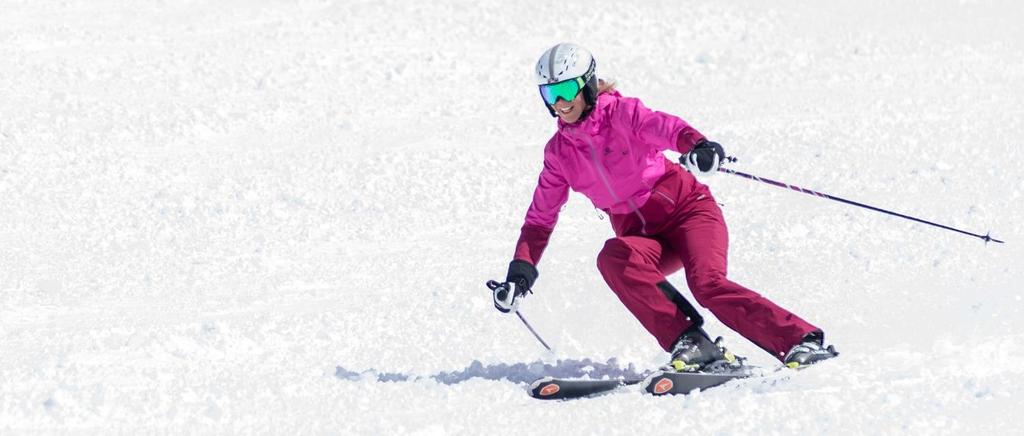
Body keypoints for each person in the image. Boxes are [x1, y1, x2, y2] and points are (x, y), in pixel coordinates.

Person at [494, 43, 838, 371]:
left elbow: (667, 128)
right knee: (614, 257)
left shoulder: (623, 114)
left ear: (587, 86)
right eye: (550, 94)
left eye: (567, 90)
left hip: (689, 213)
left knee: (707, 284)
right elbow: (539, 220)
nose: (560, 103)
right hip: (645, 239)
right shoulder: (559, 153)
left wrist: (699, 145)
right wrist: (520, 273)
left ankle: (801, 340)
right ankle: (692, 343)